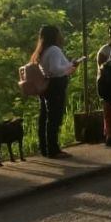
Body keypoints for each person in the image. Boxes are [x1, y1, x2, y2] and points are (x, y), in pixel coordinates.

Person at [32, 25, 79, 158]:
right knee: (54, 118)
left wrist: (70, 67)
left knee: (45, 117)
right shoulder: (54, 50)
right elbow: (55, 69)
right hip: (56, 86)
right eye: (59, 33)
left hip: (47, 86)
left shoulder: (43, 50)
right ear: (55, 35)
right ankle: (53, 149)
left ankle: (45, 148)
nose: (61, 36)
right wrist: (71, 64)